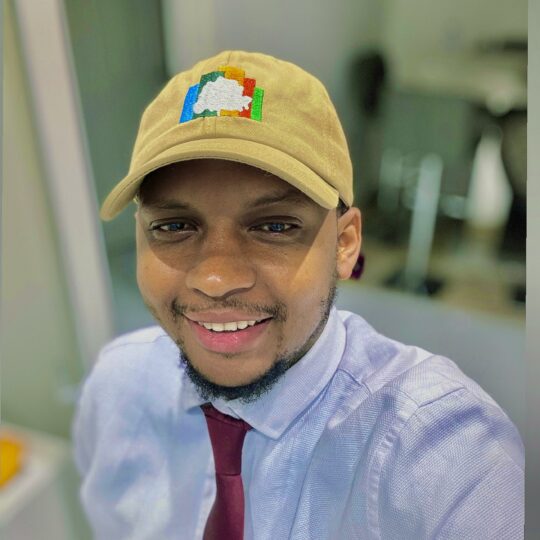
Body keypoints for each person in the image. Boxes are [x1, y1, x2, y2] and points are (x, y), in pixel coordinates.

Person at [73, 51, 523, 540]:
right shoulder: (120, 390)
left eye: (273, 226)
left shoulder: (439, 455)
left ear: (345, 244)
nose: (216, 279)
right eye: (175, 226)